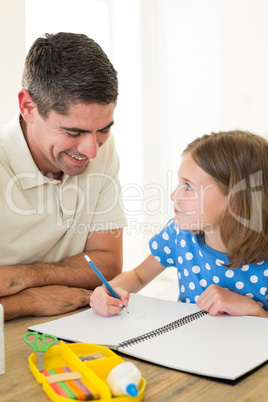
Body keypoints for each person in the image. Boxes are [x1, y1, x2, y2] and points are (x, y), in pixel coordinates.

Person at [0, 32, 126, 320]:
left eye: (104, 129)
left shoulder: (100, 149)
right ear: (28, 107)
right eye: (73, 132)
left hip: (75, 317)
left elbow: (107, 262)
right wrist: (30, 301)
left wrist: (26, 277)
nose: (92, 151)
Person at [90, 130, 268, 318]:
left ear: (236, 202)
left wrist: (254, 311)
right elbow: (138, 276)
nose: (174, 195)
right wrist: (108, 291)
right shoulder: (179, 235)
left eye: (188, 186)